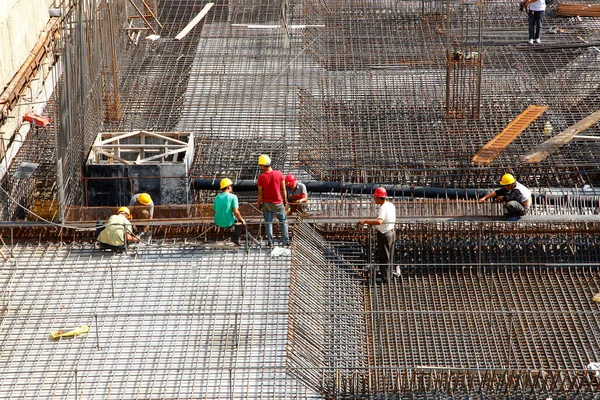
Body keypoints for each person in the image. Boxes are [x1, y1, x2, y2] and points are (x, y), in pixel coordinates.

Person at [358, 187, 396, 284]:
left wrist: (365, 221)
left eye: (375, 197)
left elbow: (379, 222)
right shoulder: (390, 205)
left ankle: (385, 278)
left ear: (379, 198)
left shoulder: (383, 207)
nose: (374, 199)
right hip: (391, 232)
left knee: (384, 256)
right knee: (389, 256)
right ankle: (389, 275)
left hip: (385, 233)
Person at [257, 154, 290, 247]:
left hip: (266, 203)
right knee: (283, 222)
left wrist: (259, 203)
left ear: (264, 165)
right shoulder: (279, 174)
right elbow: (283, 189)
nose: (260, 167)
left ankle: (270, 242)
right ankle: (286, 241)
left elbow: (260, 193)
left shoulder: (261, 177)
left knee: (268, 223)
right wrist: (285, 200)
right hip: (278, 202)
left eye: (261, 165)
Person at [213, 178, 246, 246]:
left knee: (233, 218)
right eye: (231, 186)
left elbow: (215, 209)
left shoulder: (217, 197)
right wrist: (242, 219)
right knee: (240, 223)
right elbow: (236, 212)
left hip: (217, 221)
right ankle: (235, 238)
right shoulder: (233, 197)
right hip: (228, 223)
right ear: (228, 187)